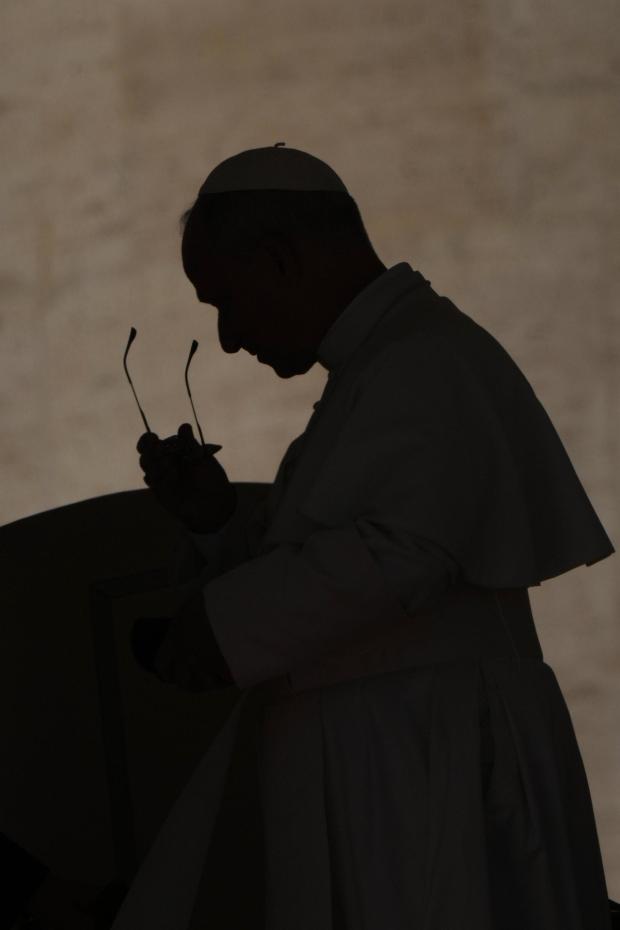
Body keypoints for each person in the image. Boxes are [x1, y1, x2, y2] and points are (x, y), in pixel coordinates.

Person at [119, 144, 616, 930]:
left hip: (422, 761)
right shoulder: (378, 368)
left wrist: (215, 626)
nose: (224, 338)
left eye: (223, 301)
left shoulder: (428, 358)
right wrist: (216, 521)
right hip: (385, 755)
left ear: (282, 259)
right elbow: (341, 562)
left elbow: (407, 549)